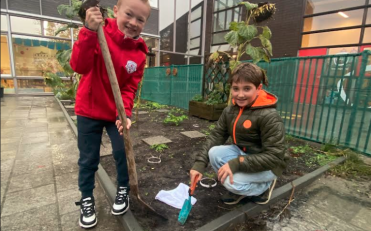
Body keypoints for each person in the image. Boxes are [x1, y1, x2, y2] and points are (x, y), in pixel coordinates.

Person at [70, 0, 150, 228]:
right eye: (129, 14)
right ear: (116, 11)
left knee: (122, 152)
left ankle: (123, 189)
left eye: (140, 19)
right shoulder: (98, 31)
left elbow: (128, 87)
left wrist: (124, 113)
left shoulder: (139, 53)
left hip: (115, 110)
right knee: (88, 159)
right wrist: (88, 31)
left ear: (145, 23)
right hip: (89, 107)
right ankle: (86, 198)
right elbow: (79, 66)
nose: (133, 22)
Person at [190, 62, 287, 205]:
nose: (240, 95)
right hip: (245, 155)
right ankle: (242, 187)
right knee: (214, 152)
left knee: (230, 182)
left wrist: (236, 163)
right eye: (236, 89)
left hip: (270, 165)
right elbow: (216, 136)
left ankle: (263, 187)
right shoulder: (230, 111)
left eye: (247, 88)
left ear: (258, 88)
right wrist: (199, 163)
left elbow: (274, 157)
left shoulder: (269, 116)